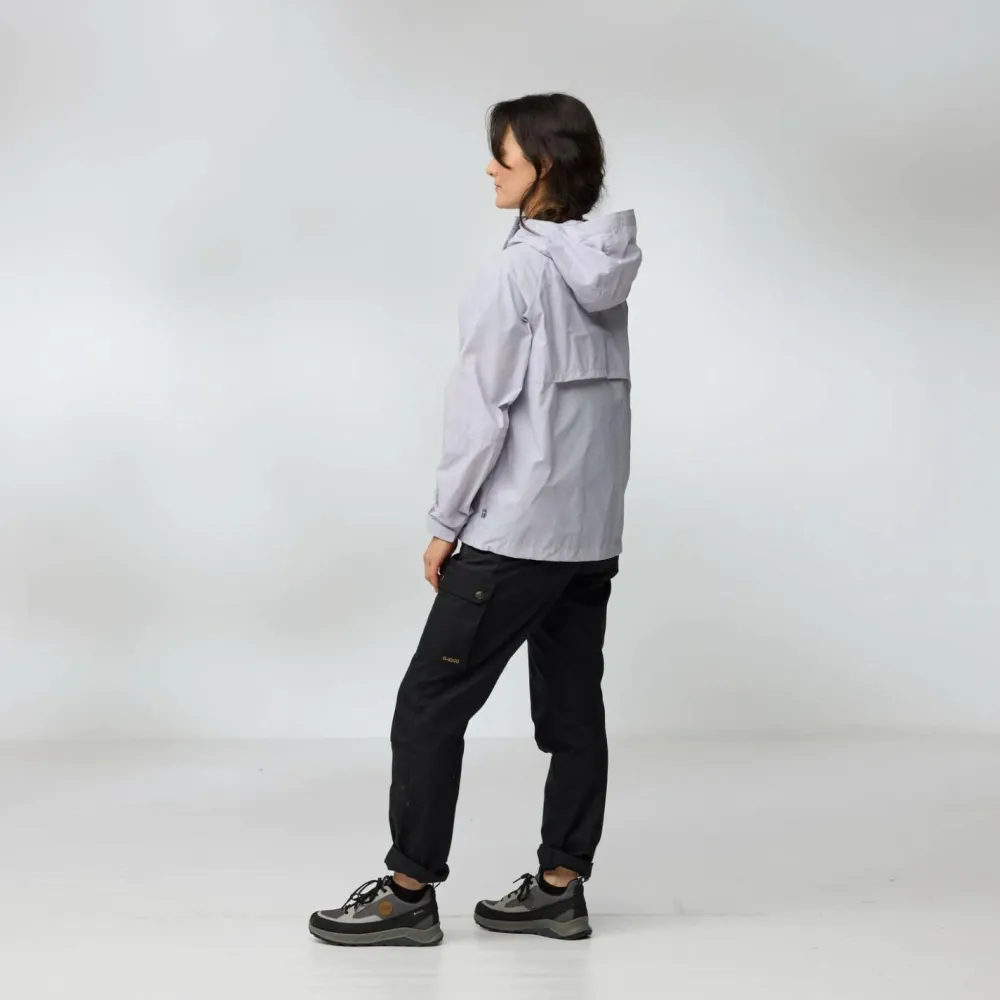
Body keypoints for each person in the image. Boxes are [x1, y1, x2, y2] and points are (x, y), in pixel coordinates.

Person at [309, 93, 642, 946]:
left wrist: (445, 522)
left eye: (505, 156)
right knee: (573, 713)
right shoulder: (602, 270)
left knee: (428, 705)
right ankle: (561, 888)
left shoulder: (516, 273)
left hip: (516, 535)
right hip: (589, 537)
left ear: (545, 168)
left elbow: (480, 412)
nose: (490, 169)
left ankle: (407, 893)